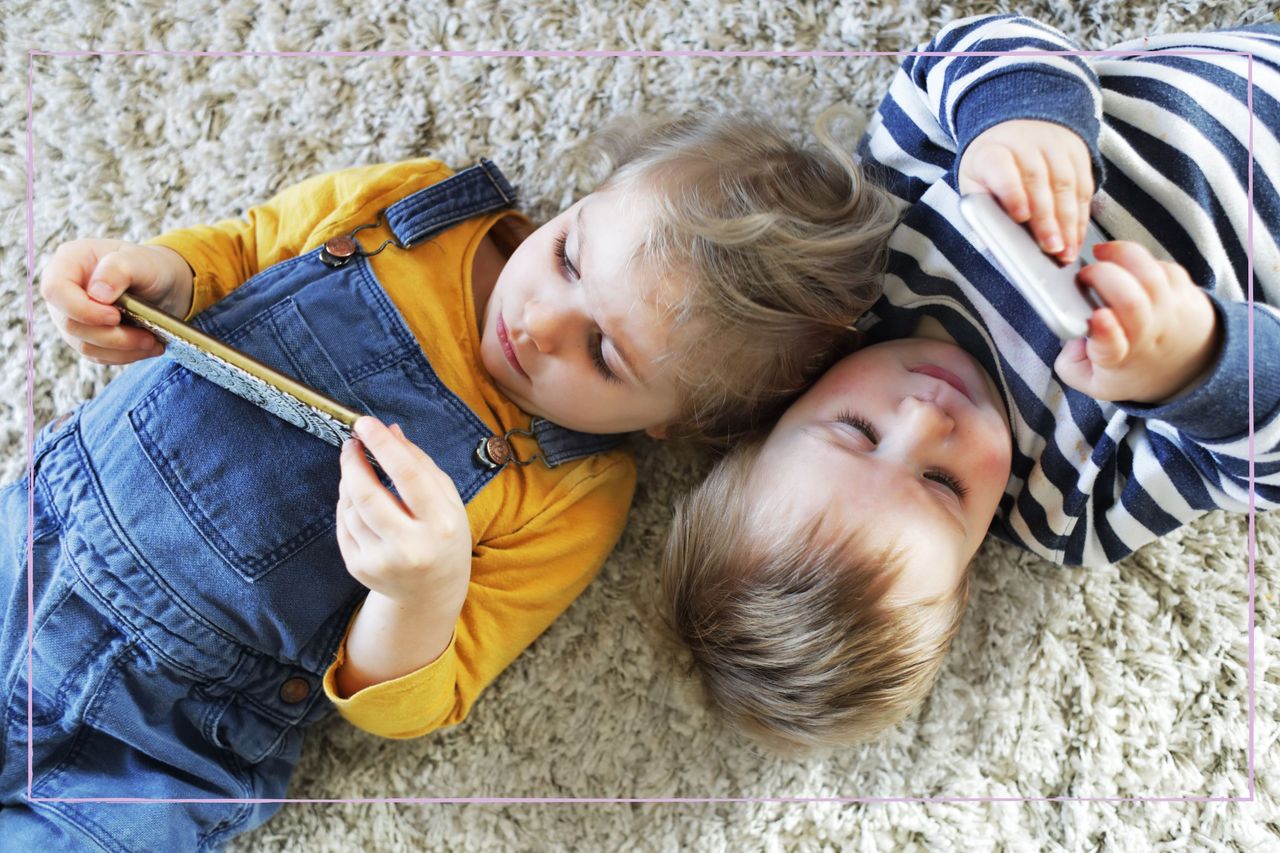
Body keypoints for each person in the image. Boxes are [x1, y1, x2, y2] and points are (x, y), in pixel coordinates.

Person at [1, 108, 900, 848]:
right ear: (589, 196)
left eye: (604, 353)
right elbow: (240, 254)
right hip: (35, 539)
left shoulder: (574, 494)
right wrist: (159, 277)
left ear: (671, 424)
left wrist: (419, 587)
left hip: (172, 732)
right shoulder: (411, 209)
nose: (543, 322)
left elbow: (425, 698)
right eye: (571, 258)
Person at [661, 16, 1280, 750]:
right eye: (943, 483)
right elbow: (1262, 462)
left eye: (856, 431)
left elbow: (950, 59)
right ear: (965, 575)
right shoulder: (1068, 505)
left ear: (779, 413)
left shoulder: (867, 259)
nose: (926, 416)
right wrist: (1191, 364)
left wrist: (1017, 118)